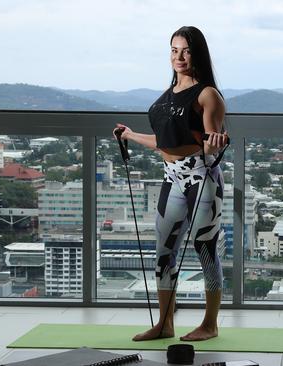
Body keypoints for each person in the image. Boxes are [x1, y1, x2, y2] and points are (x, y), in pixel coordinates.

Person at [114, 26, 228, 342]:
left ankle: (210, 324)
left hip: (201, 177)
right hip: (171, 177)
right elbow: (164, 141)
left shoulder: (207, 95)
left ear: (198, 53)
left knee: (205, 248)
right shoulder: (167, 95)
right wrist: (130, 135)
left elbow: (208, 144)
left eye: (186, 51)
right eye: (174, 50)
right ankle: (164, 325)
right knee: (164, 252)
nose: (178, 57)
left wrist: (215, 144)